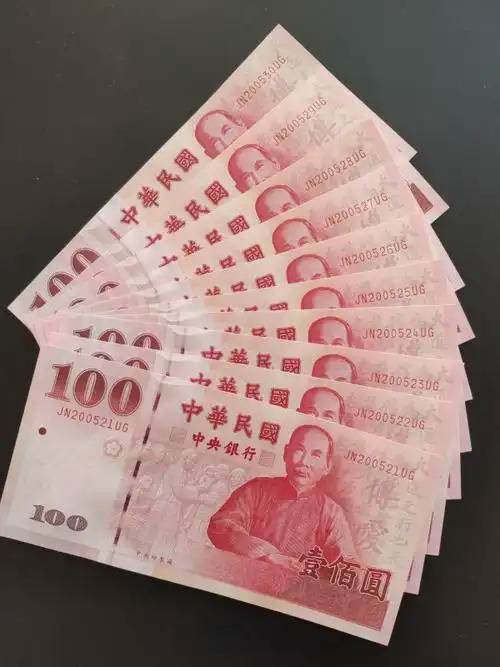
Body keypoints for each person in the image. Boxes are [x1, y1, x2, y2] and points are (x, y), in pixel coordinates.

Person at [208, 424, 357, 567]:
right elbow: (221, 525)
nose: (304, 462)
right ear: (286, 452)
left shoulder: (331, 512)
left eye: (316, 455)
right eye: (299, 450)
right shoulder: (257, 488)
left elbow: (348, 562)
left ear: (327, 466)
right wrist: (265, 554)